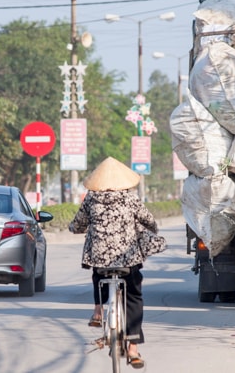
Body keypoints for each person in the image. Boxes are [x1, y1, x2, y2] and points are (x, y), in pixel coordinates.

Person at [69, 156, 160, 369]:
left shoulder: (91, 199)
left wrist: (80, 228)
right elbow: (149, 220)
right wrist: (153, 227)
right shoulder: (131, 199)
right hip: (128, 260)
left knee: (97, 273)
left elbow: (77, 225)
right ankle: (133, 348)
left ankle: (98, 310)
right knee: (134, 295)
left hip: (100, 259)